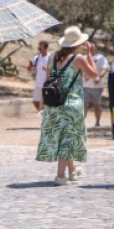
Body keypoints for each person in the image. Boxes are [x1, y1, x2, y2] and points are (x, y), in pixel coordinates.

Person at [37, 26, 98, 185]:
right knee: (68, 139)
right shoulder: (78, 59)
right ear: (77, 44)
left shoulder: (52, 58)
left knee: (64, 136)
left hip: (54, 104)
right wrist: (90, 55)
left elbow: (47, 79)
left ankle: (72, 171)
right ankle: (60, 176)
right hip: (71, 103)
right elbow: (93, 74)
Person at [82, 41, 110, 127]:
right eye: (88, 46)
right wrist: (84, 75)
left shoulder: (101, 58)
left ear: (95, 47)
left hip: (97, 86)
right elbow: (80, 69)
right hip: (85, 85)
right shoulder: (83, 57)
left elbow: (105, 69)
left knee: (96, 105)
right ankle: (82, 123)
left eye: (92, 45)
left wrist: (99, 77)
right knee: (84, 103)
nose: (90, 47)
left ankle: (97, 122)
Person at [27, 40, 51, 112]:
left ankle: (45, 114)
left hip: (47, 84)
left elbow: (55, 70)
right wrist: (30, 66)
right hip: (38, 83)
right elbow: (29, 70)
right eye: (39, 48)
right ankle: (42, 113)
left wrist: (47, 69)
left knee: (45, 102)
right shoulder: (36, 58)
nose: (39, 50)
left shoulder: (51, 58)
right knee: (35, 101)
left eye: (41, 48)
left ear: (46, 48)